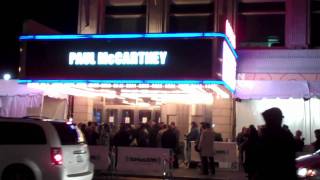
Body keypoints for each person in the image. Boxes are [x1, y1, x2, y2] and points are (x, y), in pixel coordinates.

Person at [256, 107, 297, 180]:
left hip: (267, 173)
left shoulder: (264, 135)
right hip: (284, 173)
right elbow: (293, 150)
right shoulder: (285, 134)